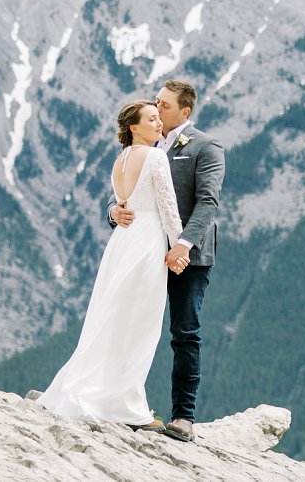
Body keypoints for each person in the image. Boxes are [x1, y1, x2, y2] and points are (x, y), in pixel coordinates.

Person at [38, 99, 183, 428]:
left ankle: (105, 395)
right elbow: (169, 209)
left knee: (114, 320)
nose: (159, 124)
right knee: (139, 326)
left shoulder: (120, 160)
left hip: (122, 243)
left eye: (159, 119)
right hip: (147, 241)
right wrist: (181, 249)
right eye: (151, 120)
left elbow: (121, 203)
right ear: (134, 127)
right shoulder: (156, 156)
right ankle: (125, 406)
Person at [108, 78, 224, 443]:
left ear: (184, 111)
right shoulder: (145, 143)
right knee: (132, 324)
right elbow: (122, 190)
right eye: (155, 103)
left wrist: (184, 245)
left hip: (187, 256)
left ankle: (183, 418)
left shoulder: (206, 147)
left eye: (165, 105)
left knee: (184, 331)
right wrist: (113, 211)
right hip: (145, 251)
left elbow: (208, 202)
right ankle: (122, 403)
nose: (157, 110)